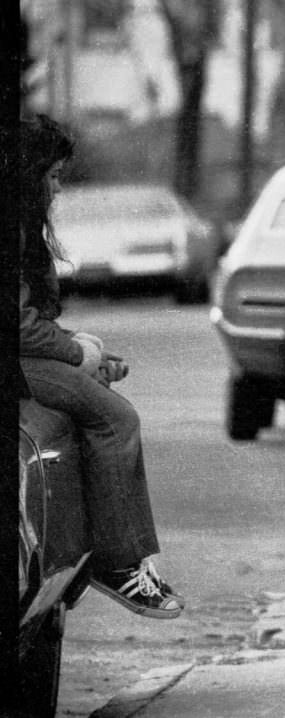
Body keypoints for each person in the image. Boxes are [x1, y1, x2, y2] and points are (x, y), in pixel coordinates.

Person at [16, 114, 184, 619]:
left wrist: (79, 354)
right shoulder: (15, 227)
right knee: (115, 419)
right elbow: (18, 324)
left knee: (103, 408)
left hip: (25, 355)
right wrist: (75, 355)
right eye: (51, 176)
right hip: (17, 360)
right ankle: (118, 562)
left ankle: (105, 552)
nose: (57, 186)